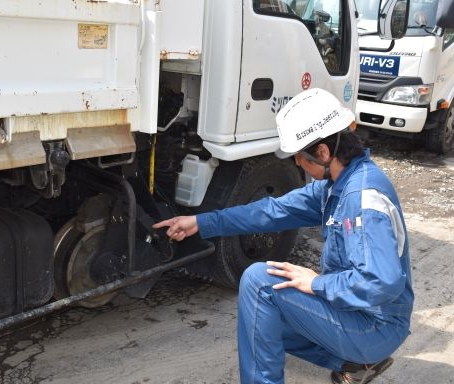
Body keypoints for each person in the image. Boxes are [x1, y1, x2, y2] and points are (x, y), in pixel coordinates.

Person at [153, 88, 414, 384]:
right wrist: (202, 222)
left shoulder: (361, 199)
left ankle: (360, 355)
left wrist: (317, 283)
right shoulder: (336, 185)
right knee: (261, 319)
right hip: (356, 313)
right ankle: (356, 363)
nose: (298, 164)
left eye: (300, 158)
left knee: (259, 283)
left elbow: (382, 281)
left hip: (375, 326)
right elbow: (272, 212)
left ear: (324, 152)